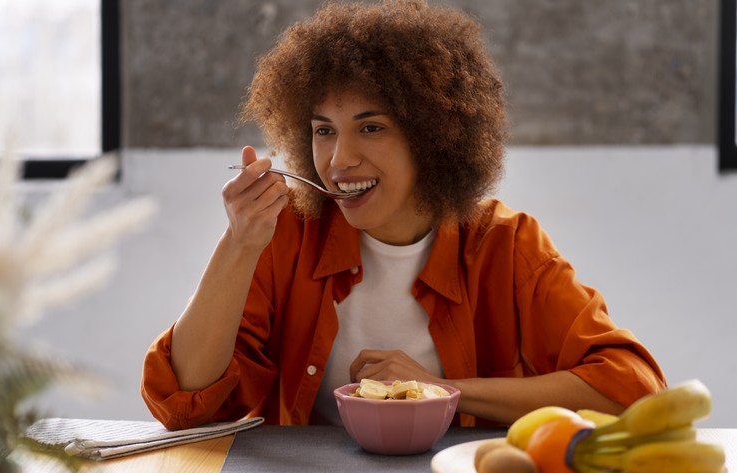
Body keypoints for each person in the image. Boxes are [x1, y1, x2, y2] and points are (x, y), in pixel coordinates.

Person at [141, 0, 665, 430]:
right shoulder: (286, 236)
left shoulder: (506, 244)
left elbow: (634, 392)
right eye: (323, 130)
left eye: (371, 128)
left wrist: (444, 393)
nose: (339, 160)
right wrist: (239, 244)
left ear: (432, 136)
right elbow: (183, 404)